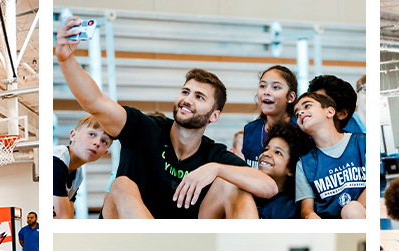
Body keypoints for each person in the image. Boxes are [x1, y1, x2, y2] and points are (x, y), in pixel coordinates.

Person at [56, 16, 276, 219]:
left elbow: (269, 187)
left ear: (214, 115)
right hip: (129, 231)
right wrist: (66, 60)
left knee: (234, 186)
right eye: (185, 92)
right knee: (122, 185)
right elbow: (95, 101)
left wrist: (216, 169)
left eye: (199, 97)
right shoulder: (144, 128)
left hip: (183, 237)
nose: (187, 99)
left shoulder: (214, 155)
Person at [291, 92, 370, 219]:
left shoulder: (363, 142)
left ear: (330, 112)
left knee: (351, 210)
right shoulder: (304, 164)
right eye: (296, 113)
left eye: (307, 106)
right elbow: (307, 209)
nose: (300, 113)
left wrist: (351, 213)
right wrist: (310, 216)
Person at [231, 65, 298, 166]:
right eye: (262, 86)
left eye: (276, 87)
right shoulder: (250, 129)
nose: (266, 92)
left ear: (291, 97)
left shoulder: (300, 130)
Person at [54, 115, 114, 218]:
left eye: (104, 141)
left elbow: (69, 212)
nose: (97, 143)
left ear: (104, 152)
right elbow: (63, 218)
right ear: (73, 135)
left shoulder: (78, 174)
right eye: (91, 134)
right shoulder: (56, 160)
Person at [255, 122, 312, 219]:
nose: (267, 154)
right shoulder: (248, 193)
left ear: (291, 170)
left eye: (278, 152)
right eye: (266, 149)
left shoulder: (289, 209)